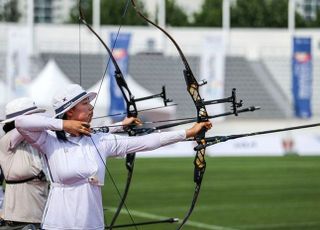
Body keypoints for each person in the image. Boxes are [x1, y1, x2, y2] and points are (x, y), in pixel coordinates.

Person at [15, 84, 212, 230]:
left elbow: (148, 141)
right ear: (70, 111)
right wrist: (63, 125)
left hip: (91, 223)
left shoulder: (100, 140)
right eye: (85, 104)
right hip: (58, 223)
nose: (91, 107)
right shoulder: (49, 140)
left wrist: (187, 132)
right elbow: (21, 122)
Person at [0, 98, 49, 229]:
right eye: (31, 117)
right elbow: (26, 126)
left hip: (42, 213)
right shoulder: (7, 140)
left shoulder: (36, 139)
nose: (35, 119)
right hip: (18, 218)